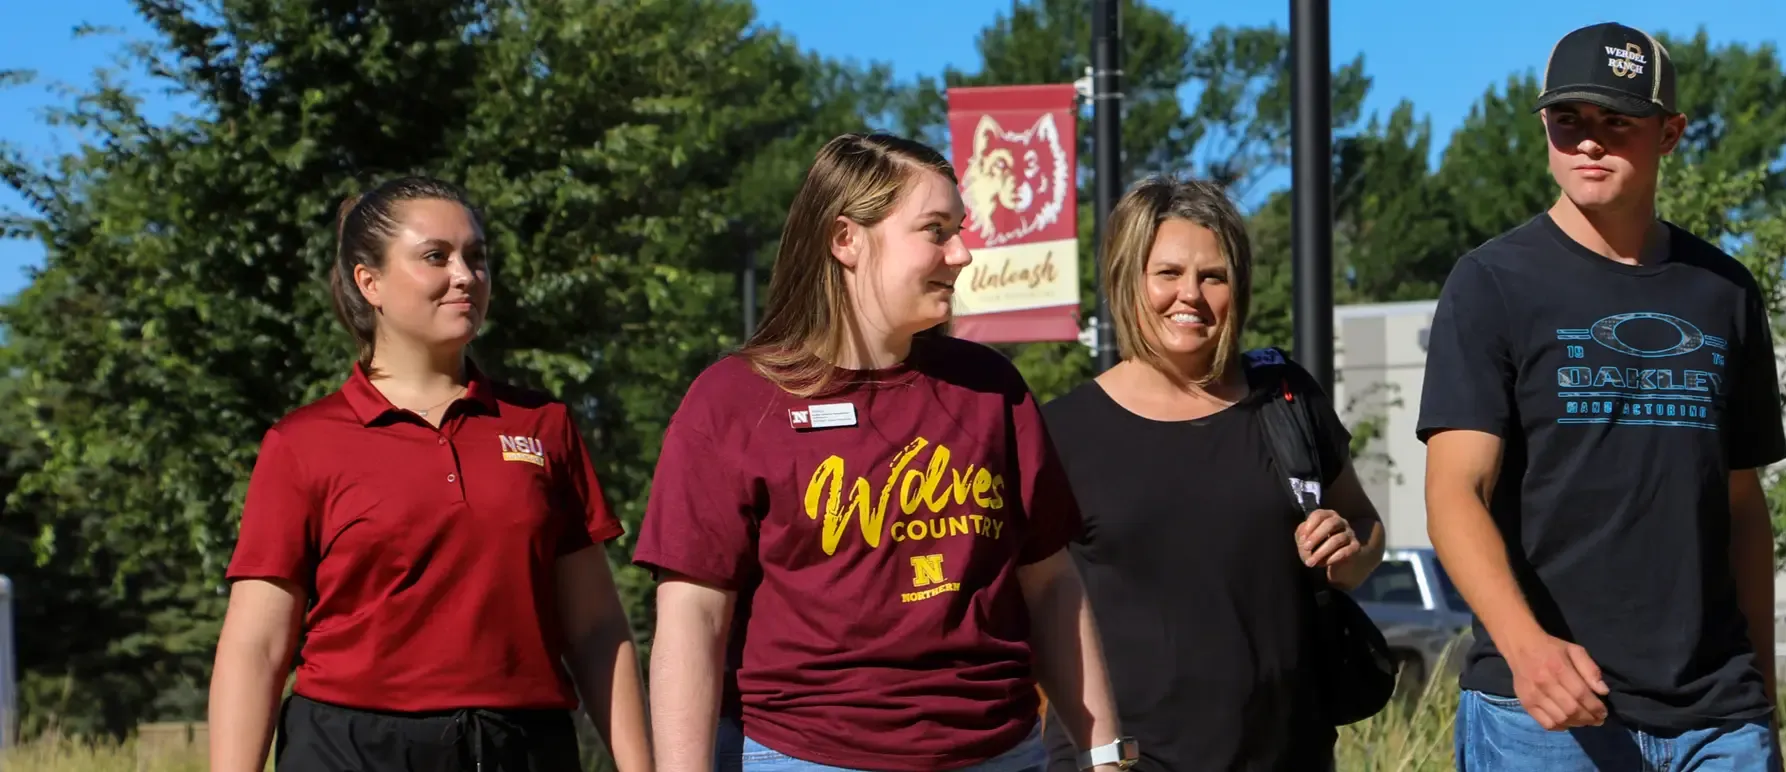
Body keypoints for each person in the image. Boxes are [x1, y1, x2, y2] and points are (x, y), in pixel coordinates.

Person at [632, 132, 1129, 772]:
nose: (963, 253)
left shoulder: (990, 388)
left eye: (959, 229)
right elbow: (692, 617)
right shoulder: (731, 401)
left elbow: (1052, 584)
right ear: (847, 239)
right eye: (935, 229)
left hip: (1000, 751)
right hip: (801, 754)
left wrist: (1108, 755)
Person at [1416, 21, 1786, 771]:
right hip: (1542, 716)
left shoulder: (1724, 291)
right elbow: (1454, 491)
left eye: (1617, 121)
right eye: (1568, 121)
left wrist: (1766, 697)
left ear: (1671, 133)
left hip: (1718, 719)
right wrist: (1530, 652)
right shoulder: (1492, 283)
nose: (1588, 141)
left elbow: (1743, 510)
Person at [208, 176, 652, 772]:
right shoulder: (301, 443)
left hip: (522, 747)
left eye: (477, 257)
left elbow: (597, 630)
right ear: (370, 283)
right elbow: (256, 648)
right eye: (435, 257)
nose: (466, 275)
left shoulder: (544, 426)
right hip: (350, 750)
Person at [1040, 177, 1384, 770]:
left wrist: (1350, 549)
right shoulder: (1059, 432)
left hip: (1288, 755)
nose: (1191, 296)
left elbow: (1365, 526)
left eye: (1213, 276)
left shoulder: (1286, 398)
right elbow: (1035, 609)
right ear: (1129, 281)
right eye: (1168, 273)